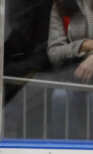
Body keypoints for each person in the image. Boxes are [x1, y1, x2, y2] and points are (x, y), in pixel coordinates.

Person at [47, 0, 93, 139]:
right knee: (61, 97)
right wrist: (83, 45)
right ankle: (68, 153)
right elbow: (54, 52)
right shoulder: (60, 6)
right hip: (74, 76)